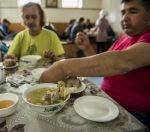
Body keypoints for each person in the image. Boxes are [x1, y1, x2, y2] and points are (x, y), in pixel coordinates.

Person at [40, 0, 150, 128]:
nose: (125, 17)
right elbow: (106, 64)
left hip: (133, 112)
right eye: (123, 12)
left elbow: (123, 62)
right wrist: (87, 48)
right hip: (106, 100)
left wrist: (64, 67)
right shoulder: (124, 38)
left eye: (133, 11)